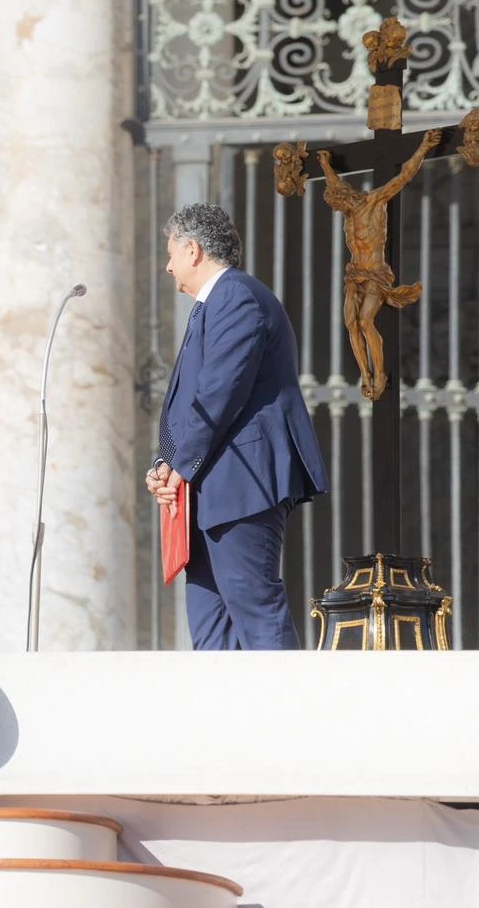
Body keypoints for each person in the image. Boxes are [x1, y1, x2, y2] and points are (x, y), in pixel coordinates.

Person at [146, 204, 328, 650]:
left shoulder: (236, 296)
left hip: (242, 481)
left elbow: (219, 392)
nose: (168, 266)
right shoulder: (214, 303)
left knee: (253, 605)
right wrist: (165, 463)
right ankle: (226, 719)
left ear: (193, 250)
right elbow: (192, 401)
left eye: (171, 254)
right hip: (209, 485)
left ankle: (288, 715)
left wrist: (179, 467)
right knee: (210, 625)